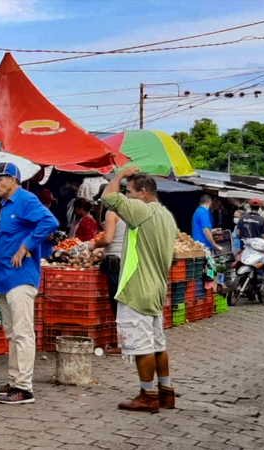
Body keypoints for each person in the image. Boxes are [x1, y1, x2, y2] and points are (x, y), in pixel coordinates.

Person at [101, 167, 178, 413]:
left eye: (130, 192)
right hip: (156, 288)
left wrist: (119, 175)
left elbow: (108, 198)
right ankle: (166, 392)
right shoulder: (166, 215)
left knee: (142, 346)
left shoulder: (142, 209)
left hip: (137, 288)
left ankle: (148, 395)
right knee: (157, 344)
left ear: (143, 193)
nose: (127, 196)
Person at [0, 163, 58, 405]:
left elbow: (49, 222)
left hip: (20, 277)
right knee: (12, 332)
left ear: (13, 179)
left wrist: (26, 245)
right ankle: (14, 381)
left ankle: (25, 388)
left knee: (23, 332)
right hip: (4, 278)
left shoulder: (25, 199)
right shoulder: (6, 205)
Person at [90, 209, 126, 318]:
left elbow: (107, 240)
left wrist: (94, 245)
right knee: (126, 300)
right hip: (127, 259)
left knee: (117, 300)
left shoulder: (112, 213)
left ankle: (123, 330)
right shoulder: (132, 212)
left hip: (115, 261)